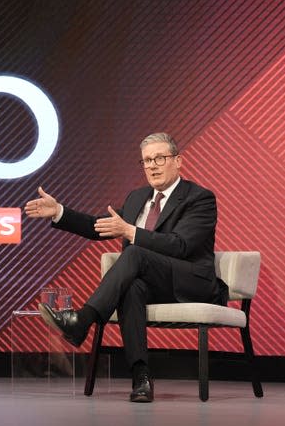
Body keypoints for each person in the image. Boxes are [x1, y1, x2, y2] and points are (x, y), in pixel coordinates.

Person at [24, 132, 227, 403]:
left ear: (178, 161)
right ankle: (141, 377)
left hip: (191, 281)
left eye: (159, 158)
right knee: (131, 287)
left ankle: (82, 321)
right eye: (146, 161)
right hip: (152, 282)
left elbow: (180, 246)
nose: (152, 166)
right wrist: (60, 211)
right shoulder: (137, 197)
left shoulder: (199, 198)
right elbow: (99, 227)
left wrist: (131, 231)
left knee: (135, 253)